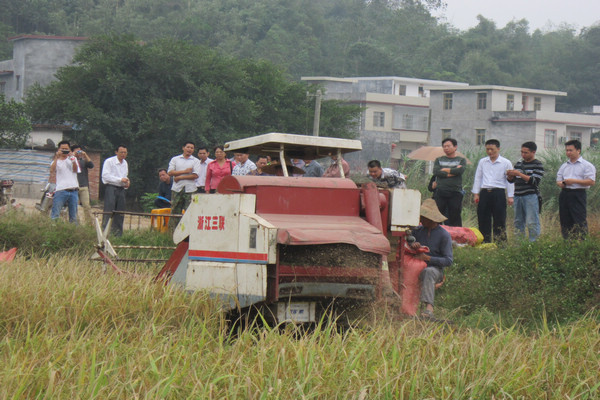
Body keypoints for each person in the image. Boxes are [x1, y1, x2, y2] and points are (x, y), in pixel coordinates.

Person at [409, 199, 453, 320]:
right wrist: (413, 245)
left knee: (428, 272)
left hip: (435, 270)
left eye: (423, 217)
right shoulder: (417, 231)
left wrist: (428, 258)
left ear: (431, 219)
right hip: (416, 266)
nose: (421, 220)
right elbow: (408, 242)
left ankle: (428, 309)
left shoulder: (444, 235)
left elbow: (448, 260)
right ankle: (405, 307)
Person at [471, 139, 514, 243]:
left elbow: (510, 180)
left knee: (499, 219)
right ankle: (484, 242)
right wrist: (476, 193)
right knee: (483, 219)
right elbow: (478, 177)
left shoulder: (505, 162)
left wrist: (510, 196)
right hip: (485, 192)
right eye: (487, 149)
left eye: (492, 149)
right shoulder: (483, 161)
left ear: (498, 149)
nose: (490, 152)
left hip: (498, 193)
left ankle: (500, 243)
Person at [556, 139, 596, 239]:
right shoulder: (564, 166)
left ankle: (582, 244)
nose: (568, 153)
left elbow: (591, 181)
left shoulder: (587, 165)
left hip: (578, 194)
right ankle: (568, 243)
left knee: (579, 220)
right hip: (565, 193)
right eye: (567, 150)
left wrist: (574, 181)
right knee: (565, 220)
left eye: (570, 150)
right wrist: (561, 184)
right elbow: (558, 180)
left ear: (578, 150)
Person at [506, 142, 545, 241]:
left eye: (526, 152)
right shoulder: (519, 164)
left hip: (530, 196)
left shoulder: (538, 164)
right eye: (522, 152)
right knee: (518, 221)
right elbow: (512, 181)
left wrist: (519, 173)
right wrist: (510, 175)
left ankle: (534, 244)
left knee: (532, 221)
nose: (523, 155)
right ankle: (519, 244)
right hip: (518, 195)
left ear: (533, 152)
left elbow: (534, 181)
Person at [432, 138, 467, 227]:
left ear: (455, 147)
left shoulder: (461, 160)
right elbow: (436, 172)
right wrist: (452, 172)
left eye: (448, 146)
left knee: (455, 216)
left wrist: (444, 170)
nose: (446, 148)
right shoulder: (439, 159)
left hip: (455, 192)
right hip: (440, 191)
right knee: (438, 216)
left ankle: (456, 237)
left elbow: (459, 171)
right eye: (444, 146)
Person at [168, 141, 201, 229]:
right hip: (177, 189)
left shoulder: (196, 161)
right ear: (183, 148)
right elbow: (170, 172)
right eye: (188, 147)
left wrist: (179, 177)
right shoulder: (175, 159)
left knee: (189, 211)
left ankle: (188, 232)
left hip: (190, 189)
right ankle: (172, 232)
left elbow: (195, 175)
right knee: (175, 211)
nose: (189, 149)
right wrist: (185, 172)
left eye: (191, 148)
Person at [101, 145, 129, 236]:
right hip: (111, 188)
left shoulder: (125, 163)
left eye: (125, 152)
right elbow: (105, 176)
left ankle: (118, 235)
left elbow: (125, 176)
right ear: (116, 152)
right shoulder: (109, 161)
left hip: (121, 189)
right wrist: (120, 180)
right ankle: (105, 233)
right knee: (109, 211)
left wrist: (127, 182)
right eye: (121, 152)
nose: (123, 154)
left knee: (120, 212)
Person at [50, 140, 79, 223]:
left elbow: (75, 170)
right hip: (61, 190)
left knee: (73, 216)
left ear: (70, 149)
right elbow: (52, 170)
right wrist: (56, 157)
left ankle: (73, 232)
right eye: (62, 149)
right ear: (58, 149)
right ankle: (54, 230)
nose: (64, 151)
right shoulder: (56, 161)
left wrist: (72, 159)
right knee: (55, 214)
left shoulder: (73, 159)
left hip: (73, 190)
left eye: (66, 149)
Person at [71, 144, 94, 224]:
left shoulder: (83, 161)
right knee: (74, 207)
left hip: (84, 186)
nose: (78, 152)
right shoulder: (69, 161)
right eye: (76, 151)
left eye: (79, 150)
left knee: (87, 206)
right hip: (73, 187)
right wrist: (72, 156)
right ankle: (76, 224)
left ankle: (90, 224)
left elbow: (91, 165)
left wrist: (85, 155)